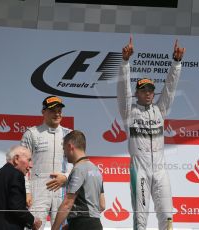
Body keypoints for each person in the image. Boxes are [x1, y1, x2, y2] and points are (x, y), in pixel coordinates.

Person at [117, 37, 185, 230]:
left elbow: (170, 89)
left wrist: (176, 63)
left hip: (160, 171)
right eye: (143, 90)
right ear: (136, 93)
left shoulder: (159, 110)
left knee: (167, 217)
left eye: (151, 90)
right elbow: (122, 91)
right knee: (141, 220)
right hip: (140, 171)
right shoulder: (129, 112)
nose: (148, 93)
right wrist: (125, 62)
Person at [21, 95, 72, 229]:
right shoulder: (32, 133)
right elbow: (22, 166)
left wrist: (65, 177)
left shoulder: (69, 134)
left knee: (62, 228)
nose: (57, 114)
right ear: (43, 112)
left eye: (59, 111)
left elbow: (77, 164)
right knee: (35, 226)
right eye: (52, 110)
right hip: (38, 186)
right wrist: (27, 191)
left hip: (62, 187)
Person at [51, 130, 105, 230]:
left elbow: (68, 203)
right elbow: (102, 205)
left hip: (82, 224)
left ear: (70, 146)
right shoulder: (96, 169)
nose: (64, 154)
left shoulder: (79, 169)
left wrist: (54, 228)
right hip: (96, 224)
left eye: (64, 149)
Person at [0, 145, 42, 230]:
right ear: (16, 159)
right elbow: (16, 207)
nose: (31, 165)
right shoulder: (16, 175)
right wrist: (33, 221)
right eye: (29, 160)